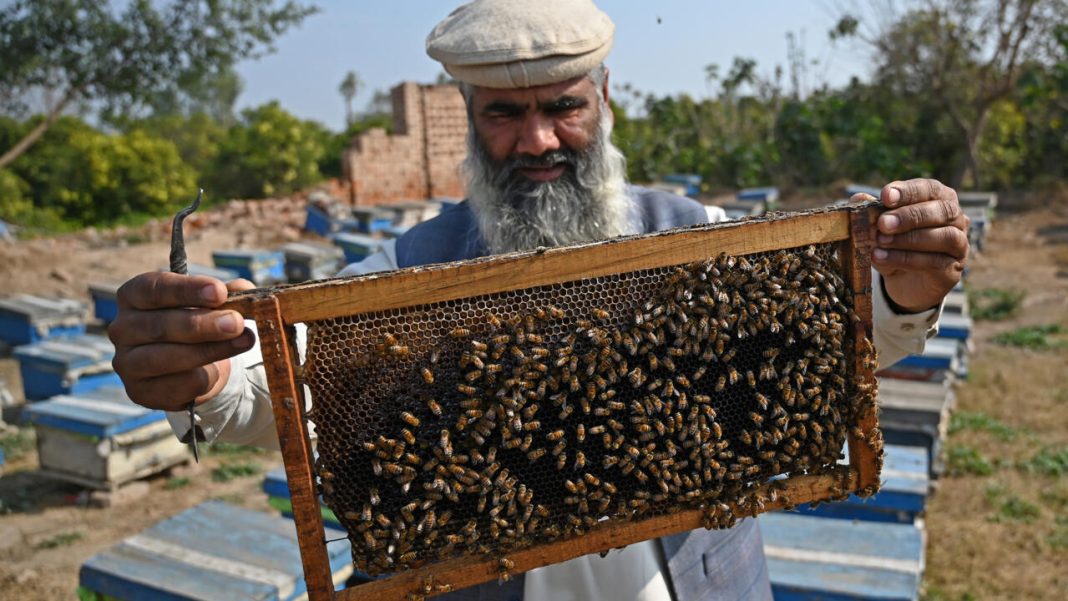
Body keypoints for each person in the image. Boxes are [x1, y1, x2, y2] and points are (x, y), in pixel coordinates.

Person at [108, 1, 970, 599]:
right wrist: (202, 372)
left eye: (562, 107)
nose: (537, 139)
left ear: (606, 98)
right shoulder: (403, 272)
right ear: (468, 115)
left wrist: (904, 284)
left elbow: (830, 342)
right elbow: (277, 387)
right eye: (503, 114)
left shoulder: (698, 233)